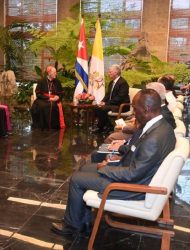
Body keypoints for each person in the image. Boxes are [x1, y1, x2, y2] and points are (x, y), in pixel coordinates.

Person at [52, 89, 176, 238]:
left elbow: (133, 174)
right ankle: (82, 222)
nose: (134, 113)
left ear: (146, 109)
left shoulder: (154, 138)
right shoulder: (161, 127)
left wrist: (106, 168)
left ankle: (72, 227)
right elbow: (136, 154)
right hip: (134, 175)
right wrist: (115, 161)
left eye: (135, 109)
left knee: (76, 179)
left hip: (134, 188)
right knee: (85, 167)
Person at [93, 64, 129, 133]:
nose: (108, 73)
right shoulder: (111, 82)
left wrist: (106, 103)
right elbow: (107, 95)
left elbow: (120, 97)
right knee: (96, 107)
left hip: (121, 105)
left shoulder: (123, 82)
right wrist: (102, 101)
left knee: (102, 109)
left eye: (110, 72)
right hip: (112, 104)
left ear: (116, 72)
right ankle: (109, 126)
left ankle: (100, 128)